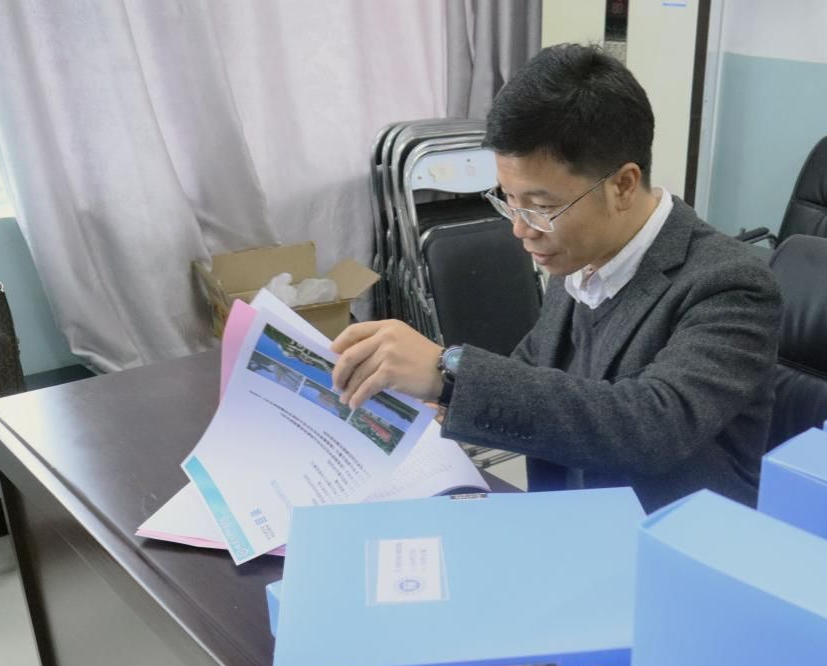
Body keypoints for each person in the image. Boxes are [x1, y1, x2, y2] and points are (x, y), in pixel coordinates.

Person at [331, 44, 781, 511]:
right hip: (566, 517)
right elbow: (536, 367)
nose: (520, 228)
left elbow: (651, 423)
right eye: (509, 199)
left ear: (623, 185)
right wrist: (439, 404)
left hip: (668, 532)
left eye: (541, 206)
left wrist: (450, 374)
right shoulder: (581, 252)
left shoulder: (730, 283)